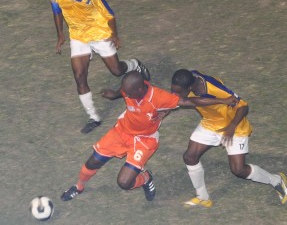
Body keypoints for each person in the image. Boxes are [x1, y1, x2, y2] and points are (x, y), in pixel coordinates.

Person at [60, 71, 239, 202]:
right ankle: (79, 186)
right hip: (121, 131)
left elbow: (191, 101)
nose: (127, 96)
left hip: (145, 140)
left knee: (124, 182)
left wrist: (223, 100)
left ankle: (146, 178)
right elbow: (121, 91)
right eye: (125, 92)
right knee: (93, 162)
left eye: (129, 93)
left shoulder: (160, 97)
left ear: (140, 88)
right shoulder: (129, 88)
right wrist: (113, 94)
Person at [49, 0, 150, 134]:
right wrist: (60, 35)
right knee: (79, 76)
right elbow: (57, 12)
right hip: (79, 35)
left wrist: (114, 35)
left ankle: (135, 64)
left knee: (117, 71)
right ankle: (93, 117)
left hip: (99, 32)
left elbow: (109, 15)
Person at [170, 69, 287, 207]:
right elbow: (181, 100)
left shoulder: (214, 88)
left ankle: (276, 180)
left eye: (179, 92)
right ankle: (203, 197)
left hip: (234, 126)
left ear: (190, 87)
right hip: (211, 123)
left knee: (239, 170)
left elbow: (243, 106)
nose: (175, 94)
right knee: (190, 157)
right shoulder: (187, 78)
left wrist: (232, 126)